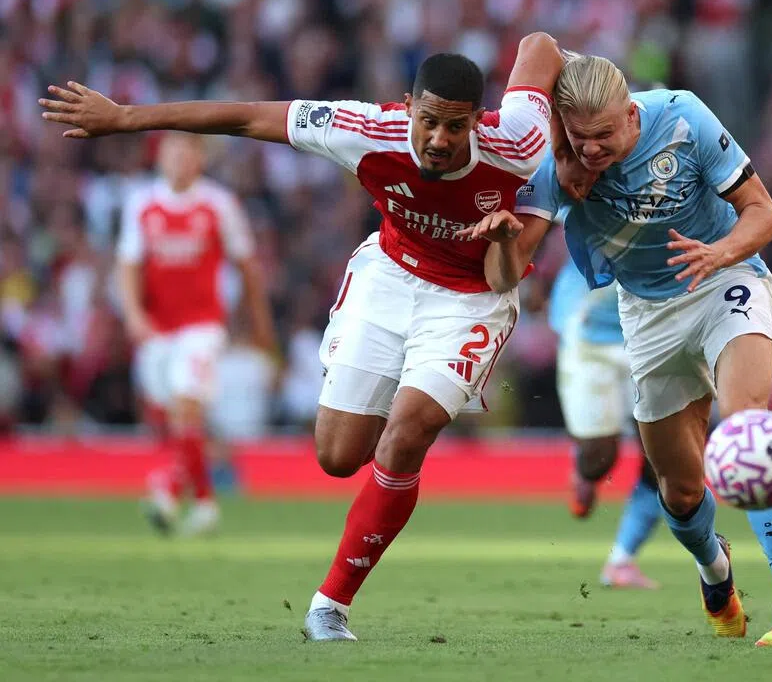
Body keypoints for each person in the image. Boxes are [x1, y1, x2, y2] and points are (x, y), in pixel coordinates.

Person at [39, 33, 564, 642]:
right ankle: (385, 472)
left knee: (406, 434)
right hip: (389, 278)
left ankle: (330, 604)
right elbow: (247, 116)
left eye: (455, 127)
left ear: (478, 121)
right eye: (428, 122)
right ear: (405, 107)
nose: (439, 140)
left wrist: (578, 109)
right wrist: (126, 118)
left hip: (469, 301)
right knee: (339, 456)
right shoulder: (365, 129)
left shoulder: (520, 141)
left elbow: (540, 46)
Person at [462, 55, 772, 646]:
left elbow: (764, 213)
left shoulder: (683, 117)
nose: (594, 150)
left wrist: (720, 252)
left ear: (632, 113)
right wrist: (502, 240)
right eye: (582, 138)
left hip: (722, 280)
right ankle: (714, 570)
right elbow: (505, 277)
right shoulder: (558, 166)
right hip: (646, 315)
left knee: (748, 429)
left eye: (606, 134)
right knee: (679, 492)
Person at [116, 132, 274, 536]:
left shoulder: (218, 204)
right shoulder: (142, 203)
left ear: (199, 159)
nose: (178, 161)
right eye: (172, 153)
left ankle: (168, 490)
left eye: (186, 153)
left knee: (187, 403)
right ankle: (203, 504)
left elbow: (247, 265)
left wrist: (259, 322)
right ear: (161, 158)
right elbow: (128, 265)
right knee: (177, 417)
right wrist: (134, 315)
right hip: (159, 329)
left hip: (203, 324)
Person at [548, 258, 660, 589]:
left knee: (662, 457)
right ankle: (586, 470)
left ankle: (621, 560)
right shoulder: (586, 203)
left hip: (652, 334)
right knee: (600, 457)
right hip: (589, 334)